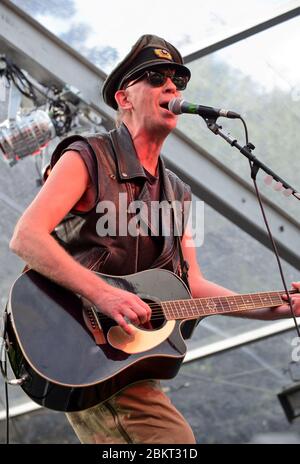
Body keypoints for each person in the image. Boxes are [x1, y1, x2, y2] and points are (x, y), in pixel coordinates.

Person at [9, 34, 300, 444]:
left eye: (178, 81)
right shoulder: (87, 157)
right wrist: (105, 295)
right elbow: (26, 237)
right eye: (156, 77)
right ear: (125, 97)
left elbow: (192, 285)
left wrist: (274, 307)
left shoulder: (178, 192)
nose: (172, 87)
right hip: (77, 339)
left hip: (124, 361)